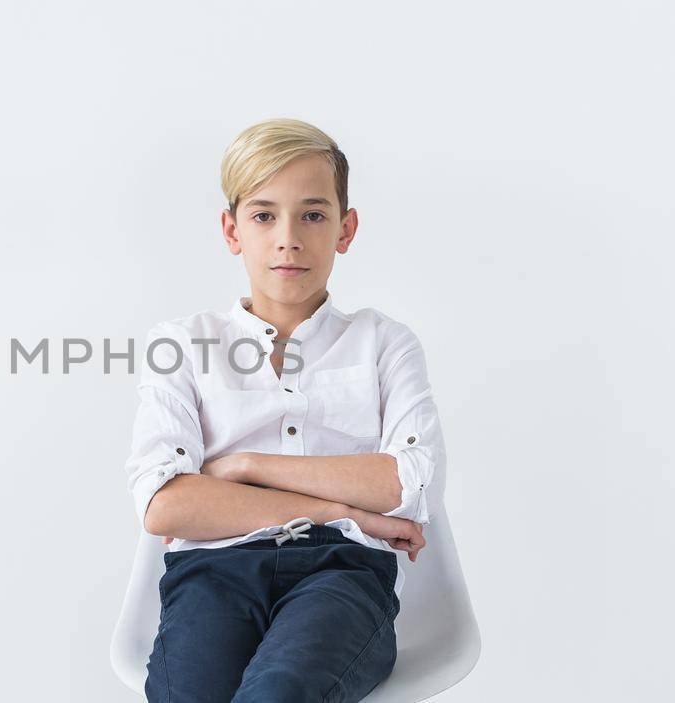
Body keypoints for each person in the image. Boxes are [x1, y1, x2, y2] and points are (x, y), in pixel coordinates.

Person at [124, 117, 445, 703]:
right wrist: (339, 506)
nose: (288, 237)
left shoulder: (384, 342)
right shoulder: (183, 343)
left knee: (279, 693)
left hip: (343, 574)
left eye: (314, 215)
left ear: (345, 229)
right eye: (264, 215)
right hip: (212, 574)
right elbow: (165, 504)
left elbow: (411, 484)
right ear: (232, 230)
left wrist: (245, 465)